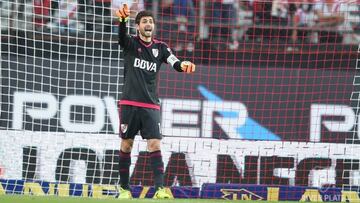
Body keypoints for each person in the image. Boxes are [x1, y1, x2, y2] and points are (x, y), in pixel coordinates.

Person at [114, 4, 196, 199]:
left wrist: (183, 65)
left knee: (155, 145)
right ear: (138, 26)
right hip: (129, 104)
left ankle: (160, 189)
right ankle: (124, 189)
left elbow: (174, 62)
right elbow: (121, 37)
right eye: (144, 21)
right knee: (126, 145)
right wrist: (123, 20)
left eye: (150, 21)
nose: (148, 24)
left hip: (151, 105)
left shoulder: (161, 47)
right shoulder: (131, 43)